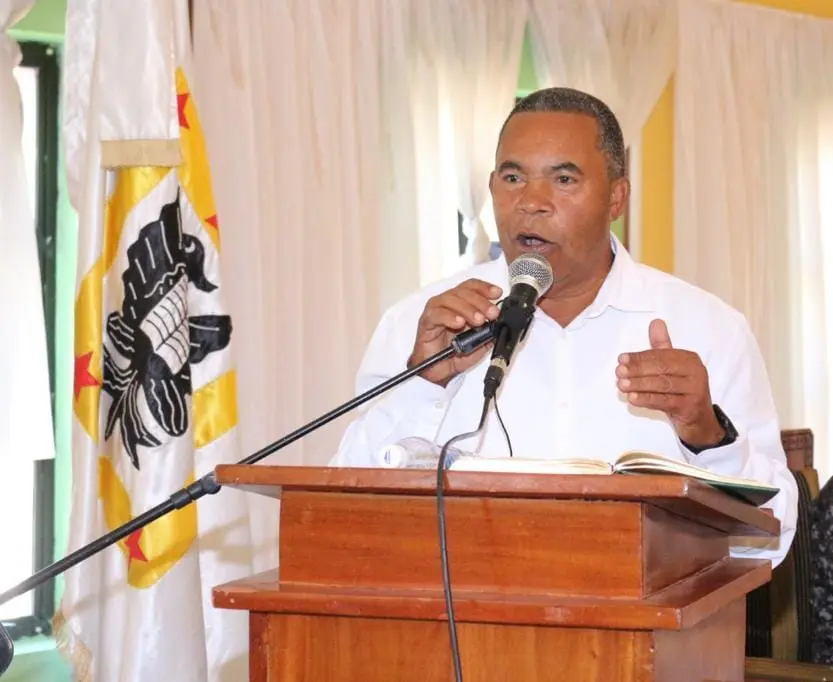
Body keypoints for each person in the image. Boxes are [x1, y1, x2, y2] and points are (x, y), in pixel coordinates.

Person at [330, 87, 797, 567]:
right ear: (491, 188)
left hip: (641, 611)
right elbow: (343, 516)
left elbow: (772, 536)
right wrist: (426, 384)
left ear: (616, 197)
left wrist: (705, 434)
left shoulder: (708, 328)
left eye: (564, 179)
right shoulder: (424, 324)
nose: (531, 202)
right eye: (513, 177)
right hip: (460, 609)